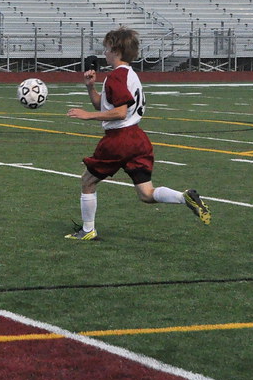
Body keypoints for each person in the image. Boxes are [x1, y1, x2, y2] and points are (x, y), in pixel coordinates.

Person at [65, 26, 211, 241]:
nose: (104, 52)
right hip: (138, 139)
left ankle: (88, 230)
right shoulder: (129, 75)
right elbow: (103, 106)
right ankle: (184, 197)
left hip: (119, 139)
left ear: (115, 50)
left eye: (106, 48)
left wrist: (87, 116)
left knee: (87, 181)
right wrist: (90, 87)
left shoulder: (116, 77)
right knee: (146, 194)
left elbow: (120, 112)